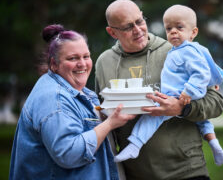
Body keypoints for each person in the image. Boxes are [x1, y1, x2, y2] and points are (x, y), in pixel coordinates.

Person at [95, 0, 223, 180]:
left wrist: (182, 108)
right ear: (112, 32)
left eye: (139, 21)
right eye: (127, 27)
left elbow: (216, 103)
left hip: (187, 172)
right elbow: (101, 111)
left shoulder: (176, 49)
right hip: (136, 174)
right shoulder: (104, 63)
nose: (138, 30)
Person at [9, 24, 135, 180]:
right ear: (54, 64)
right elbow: (69, 153)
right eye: (72, 58)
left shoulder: (79, 91)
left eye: (86, 56)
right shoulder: (55, 100)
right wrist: (110, 123)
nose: (82, 64)